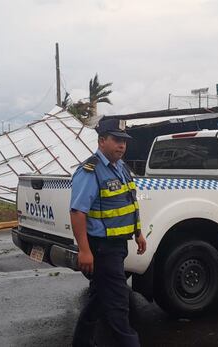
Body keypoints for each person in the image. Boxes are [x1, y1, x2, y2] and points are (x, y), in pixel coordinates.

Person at [70, 118, 147, 347]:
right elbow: (77, 212)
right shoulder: (90, 171)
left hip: (117, 246)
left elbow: (130, 203)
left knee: (99, 299)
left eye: (124, 141)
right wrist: (84, 250)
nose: (122, 145)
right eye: (117, 140)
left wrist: (138, 232)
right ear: (102, 140)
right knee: (118, 305)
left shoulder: (121, 167)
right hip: (101, 248)